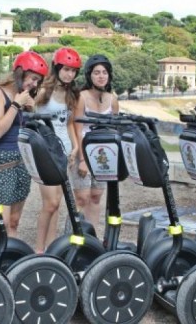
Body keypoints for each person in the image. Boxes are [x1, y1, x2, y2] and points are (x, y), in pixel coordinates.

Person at [0, 51, 48, 237]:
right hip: (3, 161)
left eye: (38, 81)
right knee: (2, 223)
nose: (34, 84)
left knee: (14, 221)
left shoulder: (23, 95)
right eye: (33, 78)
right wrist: (15, 105)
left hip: (23, 161)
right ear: (20, 72)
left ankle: (11, 262)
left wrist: (30, 109)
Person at [33, 47, 81, 253]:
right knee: (50, 203)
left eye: (73, 71)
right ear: (57, 68)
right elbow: (28, 116)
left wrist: (76, 148)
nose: (69, 74)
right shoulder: (44, 90)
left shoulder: (72, 94)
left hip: (65, 151)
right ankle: (38, 249)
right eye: (66, 69)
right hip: (46, 150)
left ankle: (52, 247)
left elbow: (69, 124)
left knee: (58, 203)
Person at [72, 54, 119, 231]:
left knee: (96, 196)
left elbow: (115, 128)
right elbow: (77, 128)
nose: (101, 76)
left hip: (104, 152)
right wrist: (82, 159)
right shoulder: (81, 97)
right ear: (89, 75)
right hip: (84, 151)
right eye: (97, 72)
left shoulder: (112, 99)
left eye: (104, 72)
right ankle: (74, 234)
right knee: (82, 197)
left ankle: (92, 235)